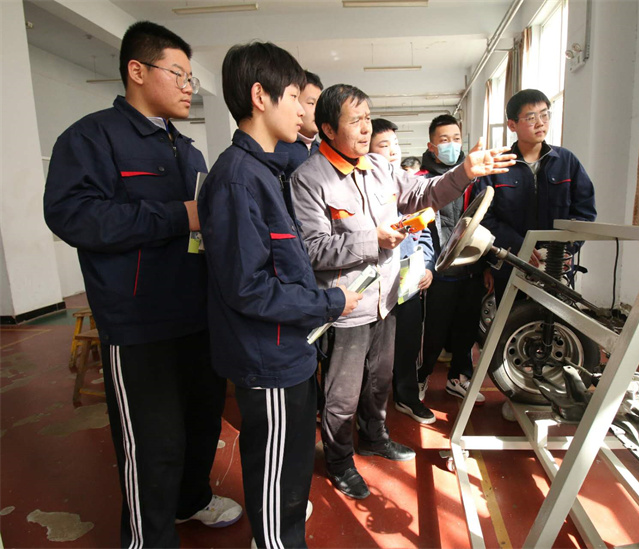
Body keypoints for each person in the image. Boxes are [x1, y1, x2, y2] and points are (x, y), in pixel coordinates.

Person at [43, 21, 242, 547]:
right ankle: (147, 538)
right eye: (178, 74)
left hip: (197, 312)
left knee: (202, 422)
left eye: (190, 78)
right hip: (139, 321)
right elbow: (74, 217)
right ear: (137, 70)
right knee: (153, 443)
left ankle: (191, 501)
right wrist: (179, 215)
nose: (188, 87)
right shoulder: (92, 138)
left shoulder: (187, 149)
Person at [291, 84, 514, 500]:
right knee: (342, 395)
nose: (365, 128)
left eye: (367, 118)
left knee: (379, 382)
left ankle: (374, 437)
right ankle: (339, 460)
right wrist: (373, 240)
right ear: (328, 129)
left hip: (388, 300)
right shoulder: (309, 179)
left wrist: (465, 172)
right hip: (348, 307)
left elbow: (424, 194)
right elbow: (313, 249)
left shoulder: (379, 166)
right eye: (355, 121)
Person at [197, 42, 361, 548]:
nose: (302, 111)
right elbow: (248, 287)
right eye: (294, 97)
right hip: (265, 355)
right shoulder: (236, 180)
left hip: (289, 348)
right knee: (274, 464)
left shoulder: (265, 171)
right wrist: (331, 303)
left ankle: (283, 528)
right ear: (259, 97)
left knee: (291, 462)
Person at [473, 89, 597, 300]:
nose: (540, 123)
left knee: (556, 316)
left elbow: (584, 212)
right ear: (512, 125)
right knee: (513, 317)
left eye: (544, 115)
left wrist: (567, 250)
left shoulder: (566, 161)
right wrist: (519, 246)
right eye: (531, 118)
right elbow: (483, 217)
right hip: (511, 261)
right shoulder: (497, 166)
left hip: (556, 264)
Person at [416, 115, 492, 411]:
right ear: (432, 146)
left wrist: (485, 265)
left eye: (456, 139)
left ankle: (459, 377)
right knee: (432, 332)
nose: (451, 144)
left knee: (466, 329)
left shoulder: (477, 177)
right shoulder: (422, 181)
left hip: (471, 270)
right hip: (438, 272)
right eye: (444, 140)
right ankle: (420, 376)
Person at [369, 119, 436, 424]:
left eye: (395, 144)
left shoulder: (408, 188)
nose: (393, 151)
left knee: (408, 342)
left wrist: (428, 267)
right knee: (377, 352)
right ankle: (371, 409)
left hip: (409, 279)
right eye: (384, 145)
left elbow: (425, 235)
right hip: (377, 283)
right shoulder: (364, 190)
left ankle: (407, 396)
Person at [275, 70, 324, 179]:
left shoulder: (323, 150)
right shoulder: (278, 149)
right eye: (311, 103)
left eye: (320, 105)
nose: (318, 111)